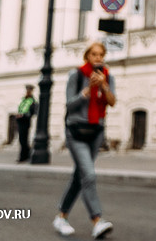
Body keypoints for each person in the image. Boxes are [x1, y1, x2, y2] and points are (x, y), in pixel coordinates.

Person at [53, 42, 116, 239]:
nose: (98, 58)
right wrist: (86, 91)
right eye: (94, 54)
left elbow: (112, 102)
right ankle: (97, 220)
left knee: (80, 176)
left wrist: (104, 85)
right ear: (87, 56)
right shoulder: (77, 75)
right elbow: (69, 104)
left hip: (96, 132)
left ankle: (61, 217)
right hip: (76, 132)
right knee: (88, 174)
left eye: (101, 54)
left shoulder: (108, 76)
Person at [16, 84, 37, 163]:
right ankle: (27, 155)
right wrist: (18, 115)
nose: (27, 92)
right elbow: (20, 109)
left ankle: (23, 156)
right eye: (27, 90)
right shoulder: (24, 100)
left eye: (29, 90)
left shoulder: (32, 100)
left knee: (24, 140)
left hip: (25, 121)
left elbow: (32, 112)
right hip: (20, 121)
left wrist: (23, 115)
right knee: (22, 139)